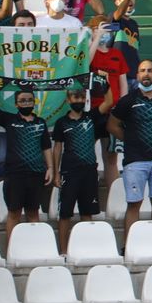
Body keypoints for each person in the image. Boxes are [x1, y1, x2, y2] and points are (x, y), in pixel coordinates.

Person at [108, 59, 152, 235]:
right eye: (142, 70)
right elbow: (112, 125)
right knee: (134, 204)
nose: (146, 74)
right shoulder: (128, 100)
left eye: (150, 70)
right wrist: (131, 139)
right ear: (137, 75)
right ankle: (130, 245)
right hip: (135, 161)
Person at [48, 85, 111, 253]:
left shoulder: (91, 117)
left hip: (89, 171)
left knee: (87, 213)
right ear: (68, 100)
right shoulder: (62, 122)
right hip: (69, 172)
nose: (79, 101)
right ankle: (63, 252)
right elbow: (57, 148)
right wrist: (56, 173)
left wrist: (104, 85)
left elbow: (109, 102)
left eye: (82, 98)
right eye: (76, 98)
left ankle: (85, 250)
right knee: (65, 214)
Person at [0, 86, 49, 238]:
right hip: (15, 175)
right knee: (14, 213)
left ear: (34, 102)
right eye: (22, 101)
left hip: (36, 174)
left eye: (29, 100)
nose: (26, 103)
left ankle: (36, 246)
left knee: (33, 213)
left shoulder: (41, 122)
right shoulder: (9, 120)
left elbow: (46, 147)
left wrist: (50, 168)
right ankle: (11, 247)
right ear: (16, 104)